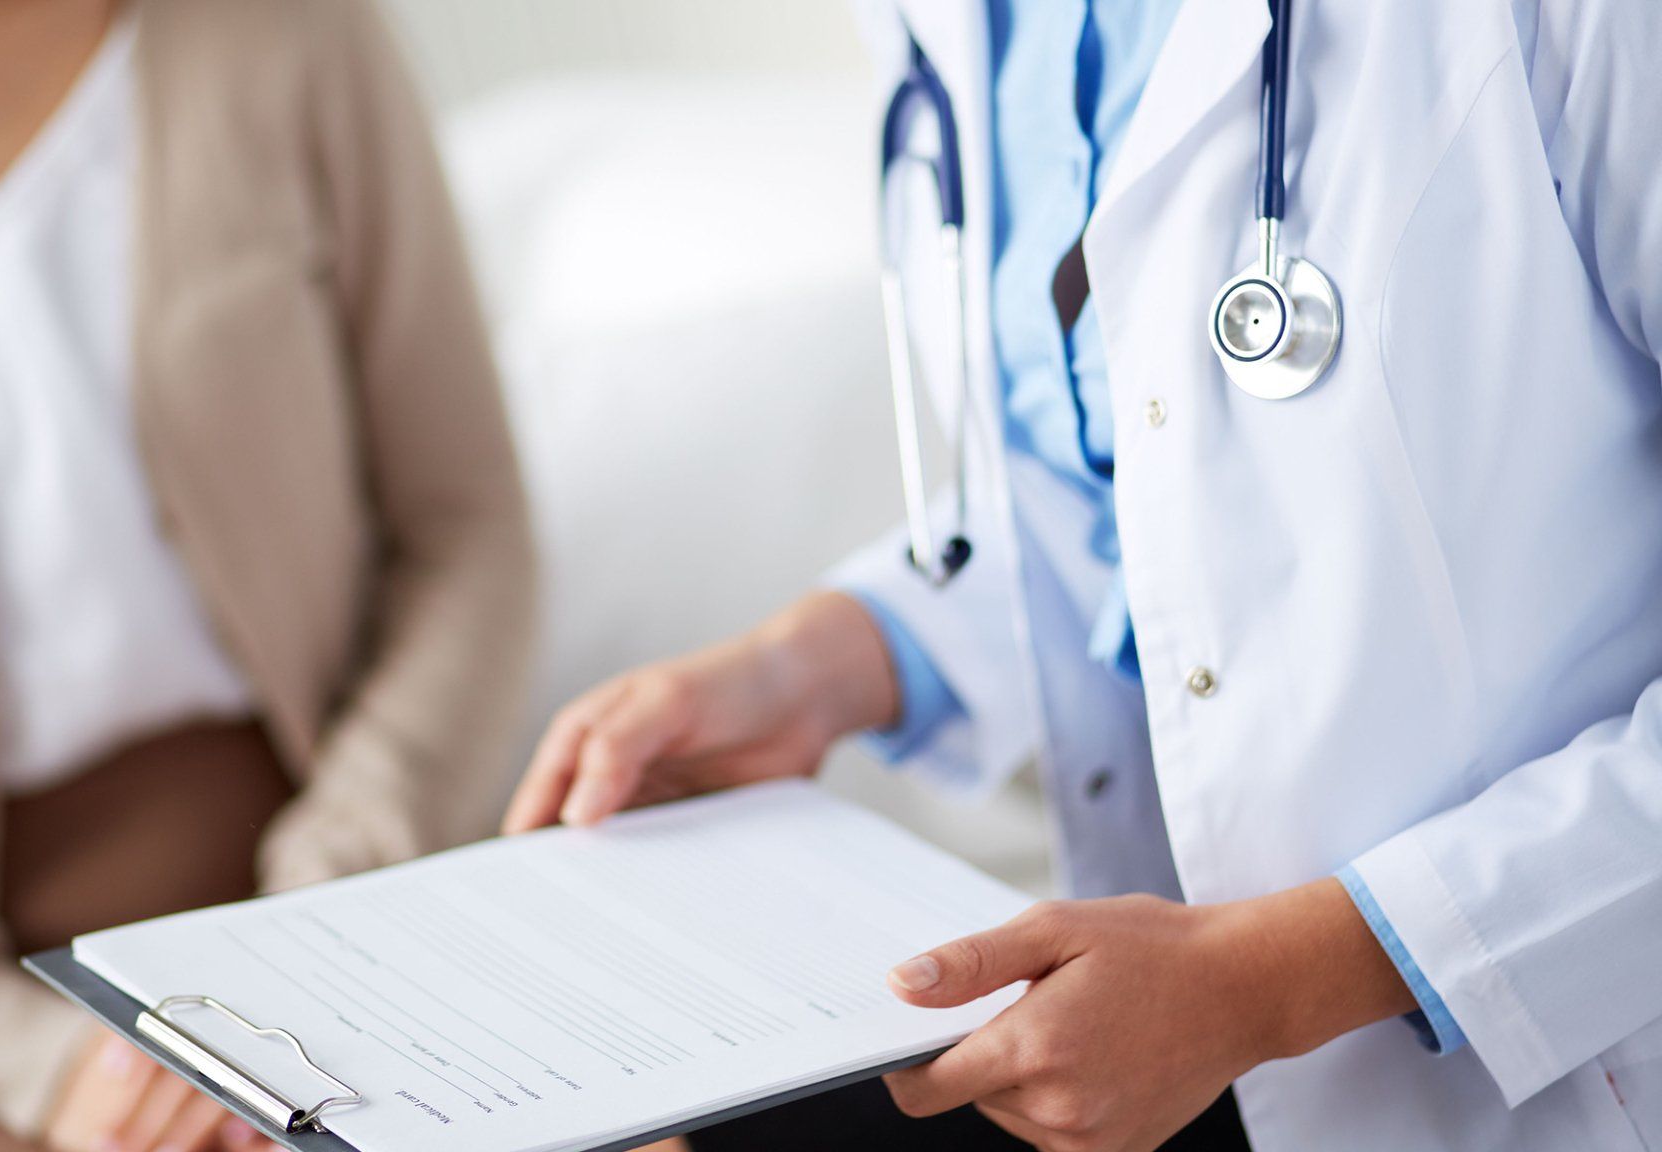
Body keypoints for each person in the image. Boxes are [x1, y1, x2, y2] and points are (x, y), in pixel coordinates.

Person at [504, 0, 1662, 1149]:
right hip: (1149, 1030)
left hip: (1552, 1054)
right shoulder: (964, 28)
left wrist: (1274, 981)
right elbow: (1148, 502)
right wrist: (821, 662)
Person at [0, 1, 534, 1150]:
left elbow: (467, 528)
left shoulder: (278, 37)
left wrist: (342, 909)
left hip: (336, 870)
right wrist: (55, 1067)